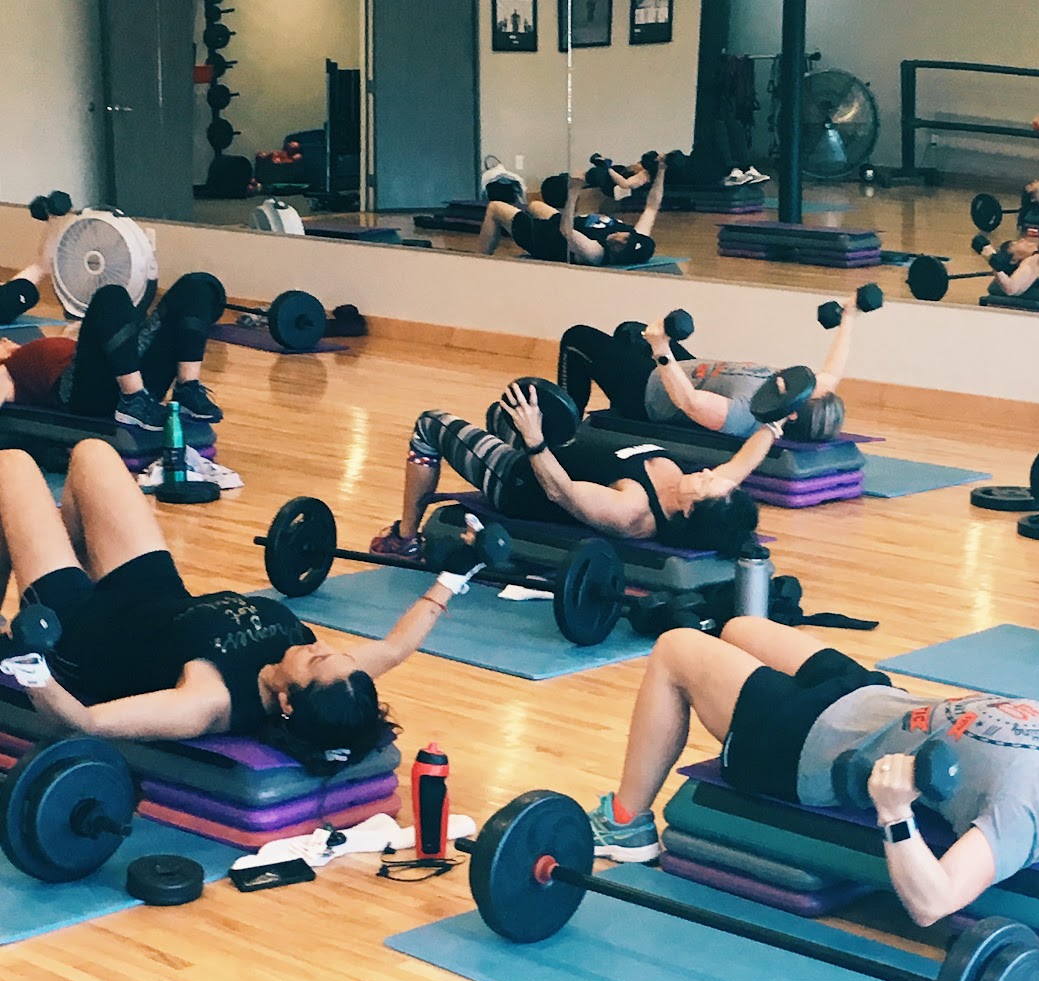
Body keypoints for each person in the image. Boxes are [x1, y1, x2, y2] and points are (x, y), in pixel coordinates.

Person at [586, 616, 1039, 924]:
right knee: (738, 626)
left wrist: (894, 814)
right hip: (871, 696)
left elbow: (932, 903)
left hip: (807, 741)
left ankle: (627, 823)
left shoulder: (1024, 818)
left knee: (675, 648)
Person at [0, 438, 472, 760]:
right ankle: (59, 554)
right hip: (152, 588)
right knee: (94, 454)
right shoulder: (336, 679)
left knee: (12, 465)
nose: (320, 647)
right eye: (334, 654)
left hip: (80, 630)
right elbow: (394, 647)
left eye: (315, 660)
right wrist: (452, 579)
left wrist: (32, 668)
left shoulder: (211, 701)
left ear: (286, 702)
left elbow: (86, 723)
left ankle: (55, 568)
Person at [371, 380, 778, 561]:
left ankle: (406, 538)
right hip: (555, 446)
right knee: (500, 411)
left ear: (689, 511)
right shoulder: (700, 495)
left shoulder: (632, 511)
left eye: (708, 484)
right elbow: (740, 464)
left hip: (520, 477)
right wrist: (775, 425)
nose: (708, 473)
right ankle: (516, 429)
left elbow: (560, 491)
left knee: (430, 424)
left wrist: (534, 438)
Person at [557, 293, 871, 444]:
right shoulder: (788, 394)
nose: (804, 381)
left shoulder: (748, 414)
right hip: (690, 368)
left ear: (791, 414)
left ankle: (563, 432)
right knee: (630, 330)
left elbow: (689, 402)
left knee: (577, 339)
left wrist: (662, 350)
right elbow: (832, 374)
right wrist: (849, 316)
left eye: (806, 390)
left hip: (649, 392)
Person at [0, 272, 226, 430]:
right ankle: (133, 401)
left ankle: (187, 388)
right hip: (87, 394)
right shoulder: (8, 371)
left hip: (132, 371)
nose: (4, 339)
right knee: (111, 295)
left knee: (198, 285)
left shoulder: (40, 345)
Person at [477, 163, 664, 268]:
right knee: (535, 205)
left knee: (495, 207)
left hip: (545, 239)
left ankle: (480, 261)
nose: (618, 239)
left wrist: (574, 191)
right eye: (626, 238)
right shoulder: (638, 235)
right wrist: (662, 170)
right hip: (562, 224)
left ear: (619, 257)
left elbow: (566, 230)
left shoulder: (596, 253)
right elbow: (652, 206)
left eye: (621, 247)